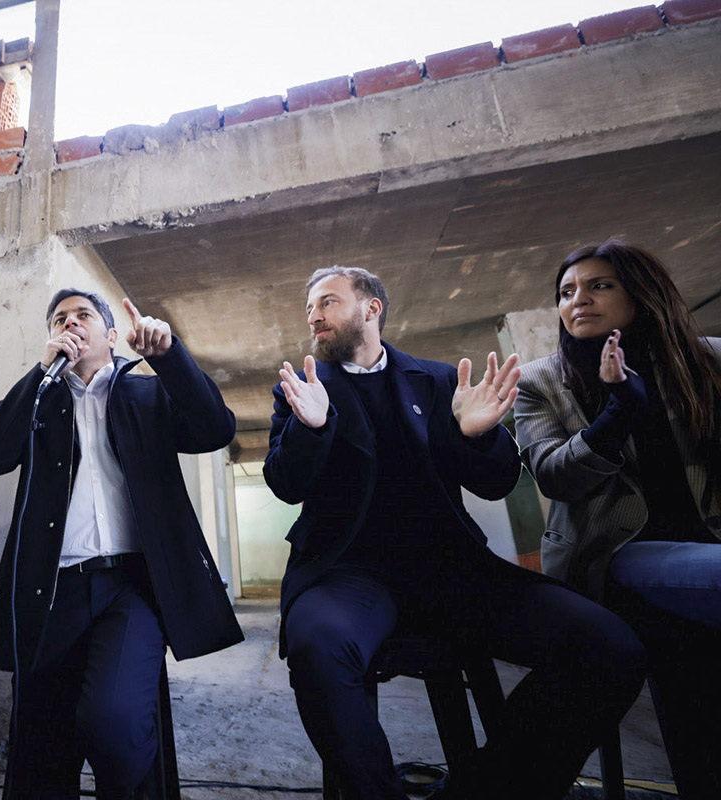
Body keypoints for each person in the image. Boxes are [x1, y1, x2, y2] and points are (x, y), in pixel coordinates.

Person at [264, 265, 646, 800]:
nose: (314, 315)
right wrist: (314, 429)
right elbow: (284, 484)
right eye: (309, 308)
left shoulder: (440, 381)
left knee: (611, 646)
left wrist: (477, 434)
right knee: (316, 647)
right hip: (347, 575)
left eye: (327, 302)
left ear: (371, 309)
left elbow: (496, 483)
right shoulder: (303, 389)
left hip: (453, 569)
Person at [0, 289, 243, 799]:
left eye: (83, 315)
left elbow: (215, 428)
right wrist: (38, 372)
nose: (70, 323)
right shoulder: (40, 402)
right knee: (42, 744)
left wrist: (171, 358)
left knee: (115, 723)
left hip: (130, 589)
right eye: (59, 318)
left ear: (111, 336)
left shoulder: (149, 394)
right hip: (49, 589)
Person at [514, 239, 721, 798]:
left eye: (598, 285)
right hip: (611, 558)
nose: (578, 300)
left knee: (691, 655)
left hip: (703, 546)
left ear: (641, 294)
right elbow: (554, 476)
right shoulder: (540, 382)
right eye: (566, 291)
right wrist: (617, 414)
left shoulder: (707, 362)